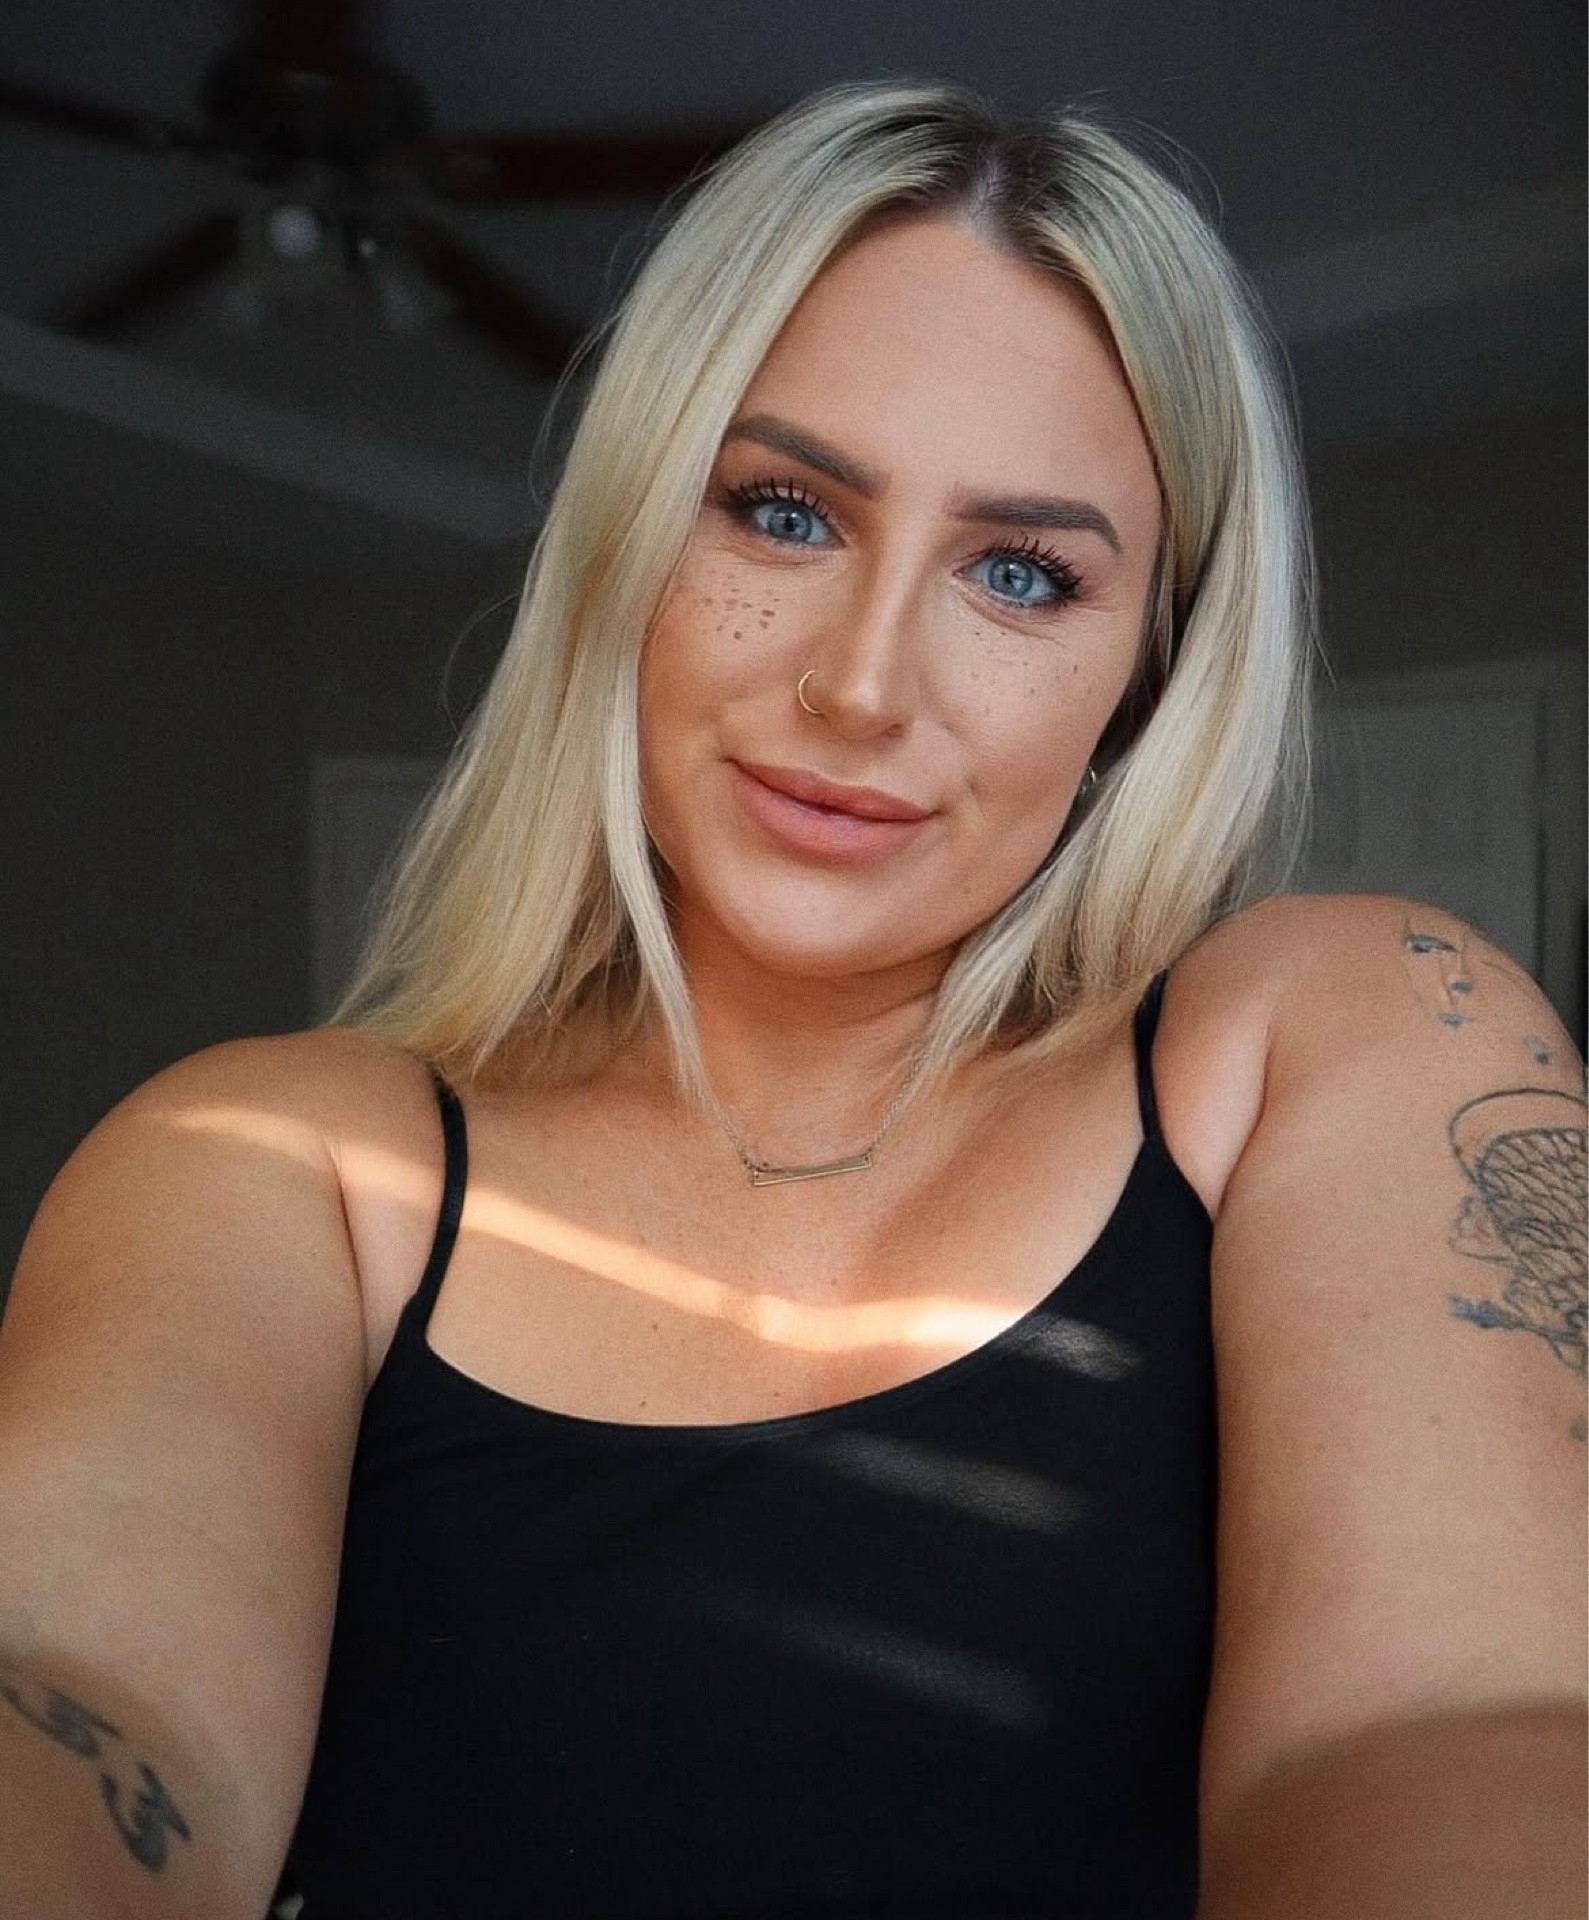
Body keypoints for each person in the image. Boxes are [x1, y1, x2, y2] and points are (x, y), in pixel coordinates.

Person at [0, 81, 1583, 1920]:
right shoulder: (280, 1164)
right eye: (781, 512)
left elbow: (1453, 1728)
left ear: (1144, 685)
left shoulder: (1342, 1032)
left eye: (1019, 574)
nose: (860, 687)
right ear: (629, 544)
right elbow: (84, 1693)